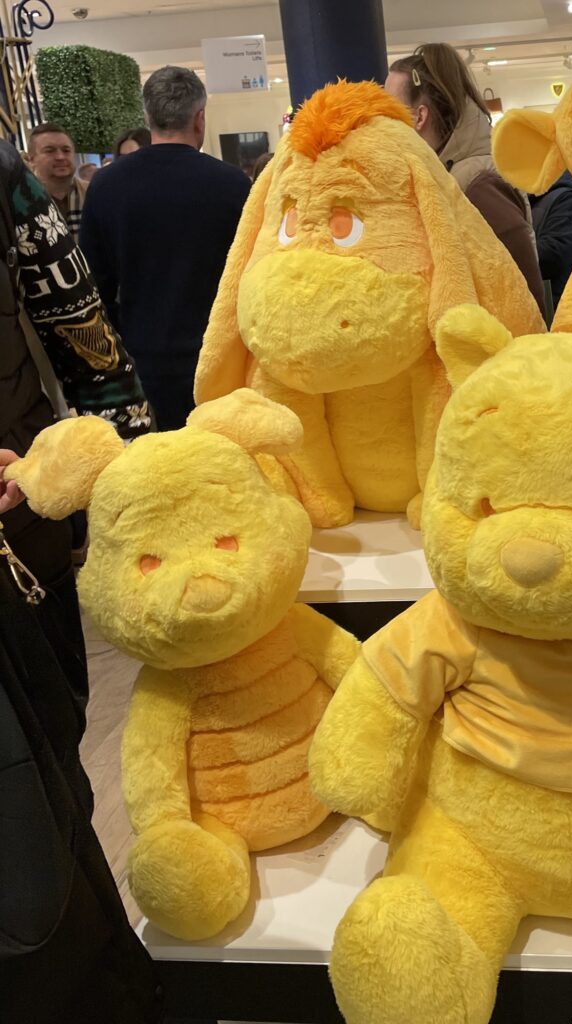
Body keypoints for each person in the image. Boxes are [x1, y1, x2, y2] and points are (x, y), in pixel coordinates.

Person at [0, 138, 161, 1022]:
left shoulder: (9, 182)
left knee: (46, 777)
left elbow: (85, 337)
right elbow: (87, 340)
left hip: (17, 521)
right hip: (18, 522)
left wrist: (132, 494)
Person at [81, 66, 250, 430]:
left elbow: (94, 289)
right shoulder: (233, 184)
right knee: (223, 455)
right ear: (200, 118)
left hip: (141, 360)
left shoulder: (106, 185)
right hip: (220, 359)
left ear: (147, 117)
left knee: (154, 458)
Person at [385, 44, 545, 313]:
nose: (382, 121)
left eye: (390, 110)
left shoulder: (478, 185)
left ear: (419, 117)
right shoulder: (447, 176)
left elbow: (524, 299)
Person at [529, 170, 572, 317]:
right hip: (542, 306)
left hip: (561, 310)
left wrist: (514, 252)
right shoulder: (532, 199)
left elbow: (557, 252)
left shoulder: (567, 199)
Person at [27, 122, 87, 242]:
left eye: (66, 150)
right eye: (50, 151)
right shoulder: (20, 201)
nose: (60, 157)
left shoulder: (94, 193)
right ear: (31, 160)